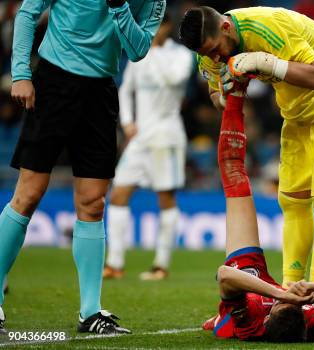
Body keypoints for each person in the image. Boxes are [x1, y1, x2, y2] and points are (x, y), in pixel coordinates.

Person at [179, 5, 314, 297]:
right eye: (208, 54)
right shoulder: (207, 48)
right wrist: (227, 93)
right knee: (293, 202)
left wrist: (263, 61)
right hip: (295, 111)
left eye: (216, 50)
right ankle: (290, 291)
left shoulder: (266, 27)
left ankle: (313, 298)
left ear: (225, 28)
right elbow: (216, 97)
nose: (215, 57)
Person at [2, 0, 165, 334]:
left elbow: (137, 51)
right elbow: (28, 13)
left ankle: (90, 313)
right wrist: (20, 72)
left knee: (93, 203)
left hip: (101, 91)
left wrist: (120, 7)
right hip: (53, 82)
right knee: (28, 194)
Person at [203, 79, 314, 342]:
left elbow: (225, 275)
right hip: (265, 289)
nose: (293, 300)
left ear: (268, 316)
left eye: (287, 304)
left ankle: (235, 96)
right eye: (298, 306)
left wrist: (281, 294)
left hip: (248, 280)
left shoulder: (250, 324)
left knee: (233, 171)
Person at [103, 13, 193, 281]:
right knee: (118, 193)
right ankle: (115, 263)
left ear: (167, 27)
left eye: (158, 26)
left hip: (166, 136)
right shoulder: (138, 54)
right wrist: (128, 122)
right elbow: (125, 88)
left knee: (165, 198)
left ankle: (161, 265)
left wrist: (152, 51)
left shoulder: (181, 56)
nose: (153, 31)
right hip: (140, 137)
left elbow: (174, 80)